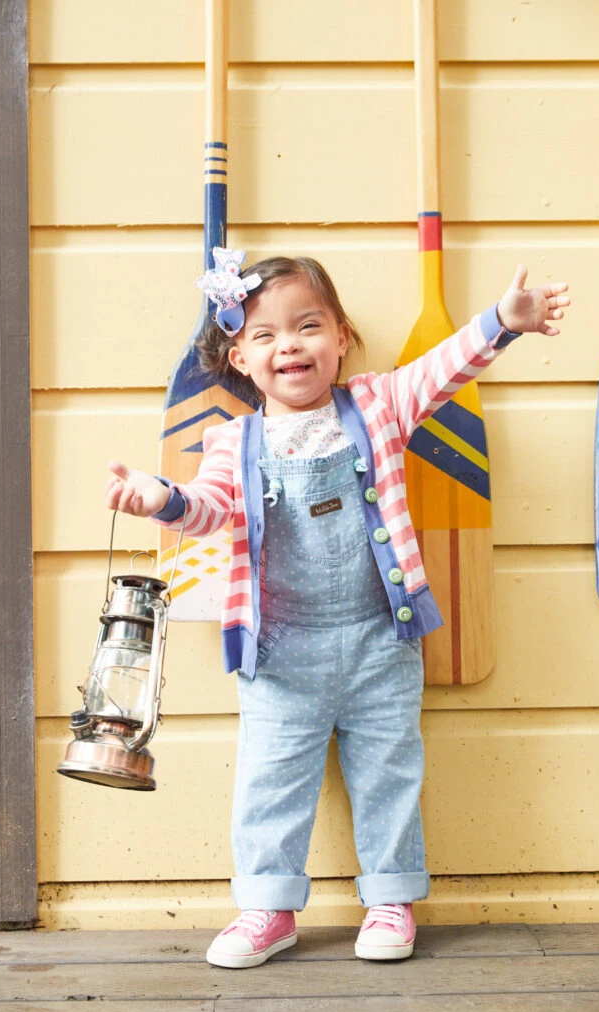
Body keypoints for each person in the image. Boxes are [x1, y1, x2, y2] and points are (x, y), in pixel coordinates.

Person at [105, 248, 569, 969]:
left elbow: (442, 368)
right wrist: (160, 498)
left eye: (307, 326)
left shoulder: (378, 404)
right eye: (264, 335)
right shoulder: (231, 439)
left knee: (388, 770)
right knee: (269, 778)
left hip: (382, 638)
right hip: (279, 652)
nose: (288, 345)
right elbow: (209, 508)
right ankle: (267, 907)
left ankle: (390, 896)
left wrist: (502, 323)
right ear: (241, 356)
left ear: (341, 337)